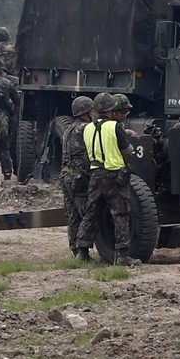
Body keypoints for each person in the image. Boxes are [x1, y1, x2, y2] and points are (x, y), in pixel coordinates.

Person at [75, 92, 140, 267]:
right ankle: (123, 254)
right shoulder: (115, 126)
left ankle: (82, 251)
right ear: (111, 109)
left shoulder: (87, 128)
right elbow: (127, 151)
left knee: (91, 212)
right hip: (114, 174)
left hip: (96, 175)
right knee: (120, 213)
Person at [56, 96, 95, 260]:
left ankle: (74, 248)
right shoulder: (86, 128)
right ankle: (82, 251)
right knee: (89, 212)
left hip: (66, 176)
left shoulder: (69, 129)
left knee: (72, 214)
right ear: (86, 113)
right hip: (79, 177)